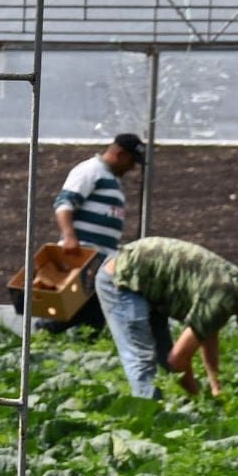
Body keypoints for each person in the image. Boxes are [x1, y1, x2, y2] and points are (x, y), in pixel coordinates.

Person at [95, 236, 238, 399]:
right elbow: (178, 359)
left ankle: (159, 407)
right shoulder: (221, 298)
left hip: (146, 284)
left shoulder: (234, 283)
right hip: (122, 279)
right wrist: (197, 397)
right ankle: (149, 418)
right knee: (142, 358)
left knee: (163, 357)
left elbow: (207, 331)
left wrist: (215, 385)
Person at [50, 132, 144, 329]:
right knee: (76, 306)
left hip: (101, 257)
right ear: (120, 154)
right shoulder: (90, 170)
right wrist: (69, 237)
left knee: (94, 309)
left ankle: (80, 342)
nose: (133, 167)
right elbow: (64, 203)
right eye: (132, 161)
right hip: (82, 253)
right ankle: (47, 329)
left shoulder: (112, 179)